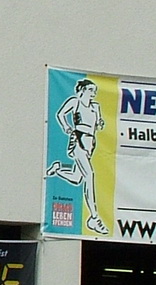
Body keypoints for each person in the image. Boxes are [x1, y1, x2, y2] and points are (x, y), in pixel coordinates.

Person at [45, 77, 110, 235]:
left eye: (95, 91)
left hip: (90, 142)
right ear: (82, 90)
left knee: (76, 178)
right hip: (79, 138)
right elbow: (60, 114)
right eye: (90, 90)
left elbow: (99, 123)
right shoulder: (75, 102)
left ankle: (59, 169)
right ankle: (94, 218)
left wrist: (100, 123)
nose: (93, 93)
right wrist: (67, 127)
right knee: (89, 175)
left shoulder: (95, 106)